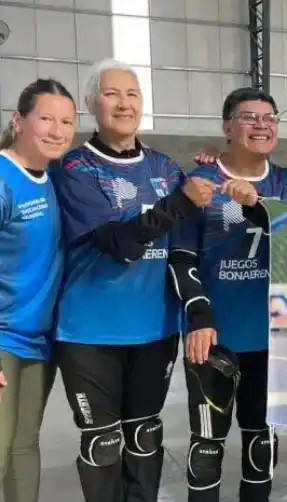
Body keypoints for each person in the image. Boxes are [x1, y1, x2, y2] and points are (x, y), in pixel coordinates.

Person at [49, 59, 215, 502]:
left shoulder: (166, 167)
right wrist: (178, 202)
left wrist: (222, 178)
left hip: (154, 331)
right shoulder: (74, 170)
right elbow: (119, 243)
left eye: (133, 94)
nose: (124, 104)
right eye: (112, 94)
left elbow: (184, 250)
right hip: (89, 334)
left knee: (144, 440)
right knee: (103, 446)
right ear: (91, 104)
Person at [168, 87, 287, 502]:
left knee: (261, 449)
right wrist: (199, 317)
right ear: (227, 127)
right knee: (206, 451)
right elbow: (180, 257)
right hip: (213, 339)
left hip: (271, 341)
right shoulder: (199, 181)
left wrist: (257, 205)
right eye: (249, 117)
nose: (261, 125)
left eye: (269, 117)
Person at [0, 78, 76, 502]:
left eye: (66, 121)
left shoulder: (54, 176)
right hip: (3, 337)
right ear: (19, 121)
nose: (57, 130)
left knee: (25, 448)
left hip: (39, 338)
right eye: (45, 118)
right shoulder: (3, 176)